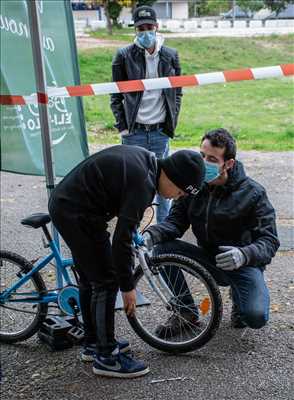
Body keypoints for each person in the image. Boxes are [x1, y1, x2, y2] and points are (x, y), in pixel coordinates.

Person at [48, 145, 205, 378]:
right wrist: (127, 285)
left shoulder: (148, 163)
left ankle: (93, 343)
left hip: (73, 205)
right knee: (106, 281)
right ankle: (107, 357)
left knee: (91, 279)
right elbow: (121, 240)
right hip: (76, 212)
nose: (177, 197)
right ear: (173, 177)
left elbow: (123, 217)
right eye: (181, 192)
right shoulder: (144, 184)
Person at [143, 128, 280, 338]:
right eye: (202, 155)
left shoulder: (254, 193)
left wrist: (244, 255)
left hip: (243, 263)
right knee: (161, 249)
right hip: (208, 259)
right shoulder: (194, 185)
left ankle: (239, 298)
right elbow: (175, 223)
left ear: (229, 163)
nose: (204, 162)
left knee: (254, 317)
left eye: (212, 159)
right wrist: (153, 234)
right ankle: (186, 313)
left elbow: (270, 241)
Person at [110, 5, 182, 224]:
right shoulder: (123, 56)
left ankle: (162, 233)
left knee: (164, 185)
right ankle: (131, 232)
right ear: (135, 30)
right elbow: (115, 95)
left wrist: (171, 124)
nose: (145, 32)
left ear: (157, 27)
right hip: (135, 133)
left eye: (149, 27)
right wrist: (123, 127)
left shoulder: (170, 56)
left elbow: (177, 93)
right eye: (140, 28)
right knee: (133, 185)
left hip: (160, 131)